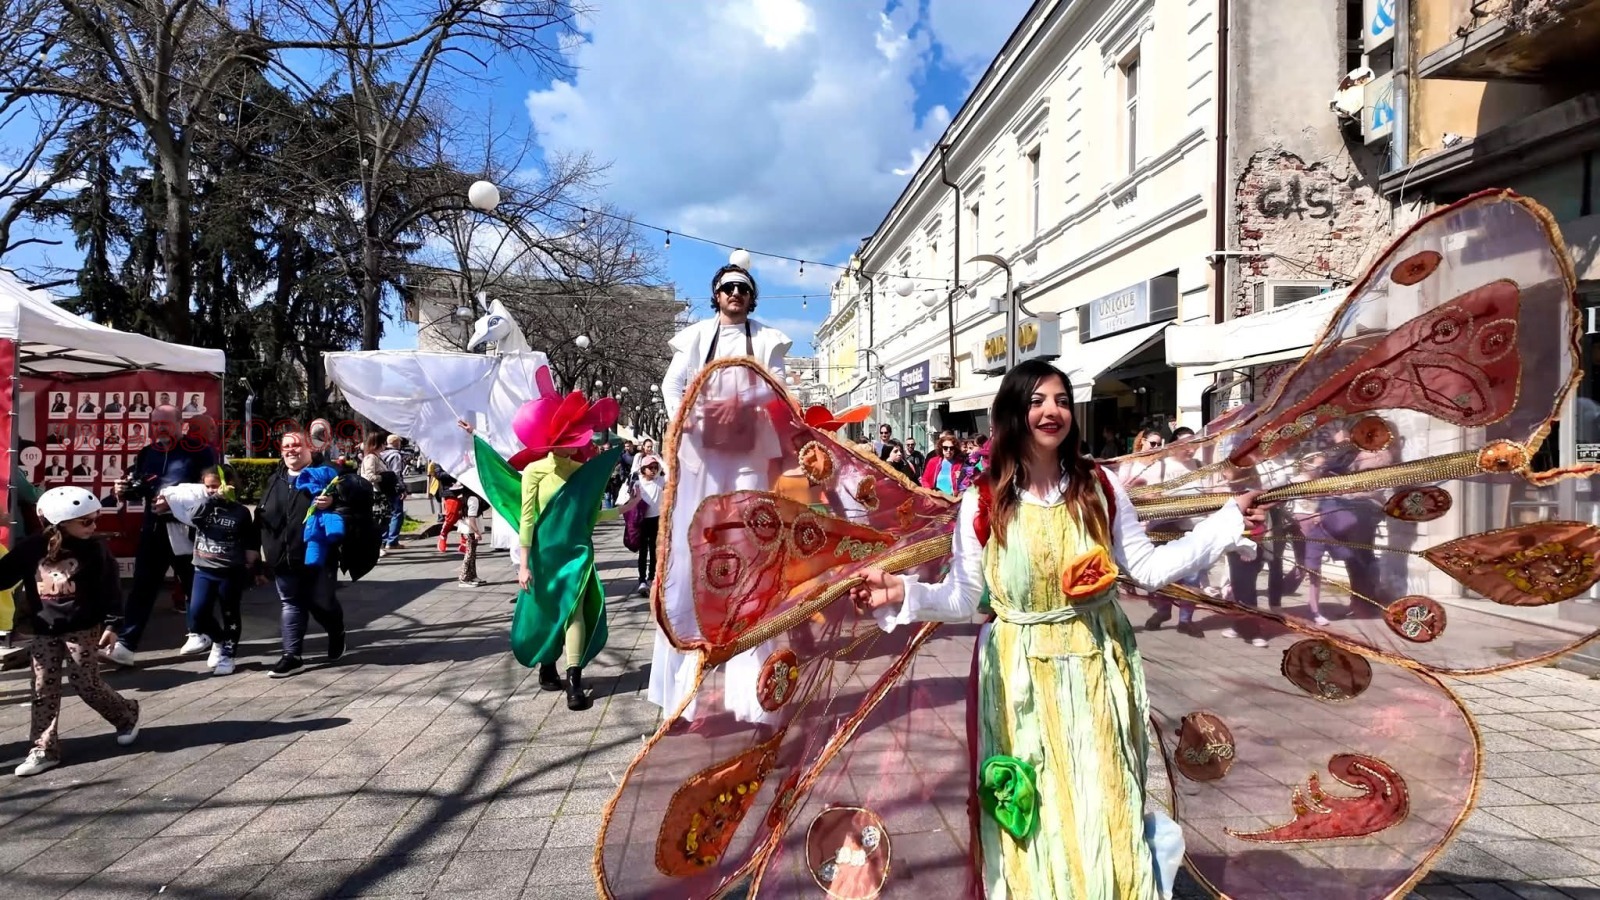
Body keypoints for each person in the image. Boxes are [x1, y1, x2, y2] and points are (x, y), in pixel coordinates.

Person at [853, 359, 1266, 897]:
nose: (1052, 411)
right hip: (1018, 679)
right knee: (1034, 809)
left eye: (1062, 401)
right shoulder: (983, 500)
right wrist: (903, 593)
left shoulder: (1100, 486)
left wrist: (1226, 522)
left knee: (1104, 798)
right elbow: (962, 598)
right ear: (1012, 414)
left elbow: (1147, 568)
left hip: (1099, 668)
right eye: (1037, 401)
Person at [652, 263, 792, 721]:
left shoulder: (767, 338)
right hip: (703, 458)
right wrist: (693, 418)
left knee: (751, 553)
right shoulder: (695, 337)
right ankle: (682, 693)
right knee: (692, 555)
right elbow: (673, 386)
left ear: (752, 298)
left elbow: (778, 388)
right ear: (716, 295)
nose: (735, 294)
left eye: (743, 289)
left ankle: (752, 697)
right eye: (728, 288)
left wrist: (741, 403)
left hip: (749, 456)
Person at [460, 389, 622, 712]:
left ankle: (574, 679)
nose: (575, 444)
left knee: (574, 611)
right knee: (547, 612)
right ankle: (548, 664)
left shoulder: (582, 472)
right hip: (543, 556)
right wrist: (523, 565)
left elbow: (589, 516)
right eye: (570, 438)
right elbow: (528, 519)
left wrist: (623, 509)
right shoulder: (535, 471)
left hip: (576, 554)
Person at [0, 486, 141, 777]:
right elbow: (3, 576)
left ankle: (126, 713)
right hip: (44, 628)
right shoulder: (31, 547)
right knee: (42, 688)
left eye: (95, 519)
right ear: (59, 522)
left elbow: (110, 589)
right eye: (86, 521)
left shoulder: (96, 549)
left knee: (86, 684)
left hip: (82, 627)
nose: (93, 526)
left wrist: (113, 624)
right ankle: (44, 749)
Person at [103, 405, 215, 666]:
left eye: (165, 423)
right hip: (153, 529)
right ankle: (126, 646)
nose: (160, 428)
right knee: (142, 587)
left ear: (180, 423)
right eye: (155, 424)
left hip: (185, 528)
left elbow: (211, 489)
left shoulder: (200, 450)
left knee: (193, 583)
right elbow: (140, 487)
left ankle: (202, 632)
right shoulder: (147, 452)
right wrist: (123, 490)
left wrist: (174, 501)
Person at [256, 431, 369, 678]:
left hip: (318, 555)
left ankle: (336, 630)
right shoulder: (276, 479)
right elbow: (262, 515)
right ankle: (292, 656)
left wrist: (333, 502)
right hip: (282, 557)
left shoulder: (328, 475)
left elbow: (354, 504)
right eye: (286, 446)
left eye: (296, 445)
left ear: (310, 448)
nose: (290, 450)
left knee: (321, 602)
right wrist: (259, 550)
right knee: (291, 603)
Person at [161, 465, 257, 675]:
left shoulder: (240, 511)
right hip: (203, 569)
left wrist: (252, 564)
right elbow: (193, 517)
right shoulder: (203, 505)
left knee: (230, 614)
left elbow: (249, 538)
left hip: (229, 571)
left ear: (229, 484)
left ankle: (228, 654)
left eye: (216, 486)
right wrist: (212, 499)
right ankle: (219, 640)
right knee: (198, 614)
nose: (212, 490)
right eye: (208, 487)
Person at [616, 454, 665, 596]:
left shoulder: (660, 481)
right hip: (641, 521)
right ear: (643, 469)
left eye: (655, 467)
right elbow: (626, 497)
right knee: (643, 551)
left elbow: (670, 473)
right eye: (650, 467)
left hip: (656, 520)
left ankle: (651, 577)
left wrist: (659, 460)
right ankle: (642, 580)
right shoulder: (638, 483)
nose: (653, 470)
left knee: (654, 550)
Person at [456, 487, 487, 588]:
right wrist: (477, 532)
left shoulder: (465, 497)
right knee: (469, 554)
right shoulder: (473, 499)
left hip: (467, 529)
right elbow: (471, 518)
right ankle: (464, 578)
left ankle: (472, 576)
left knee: (472, 554)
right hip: (470, 530)